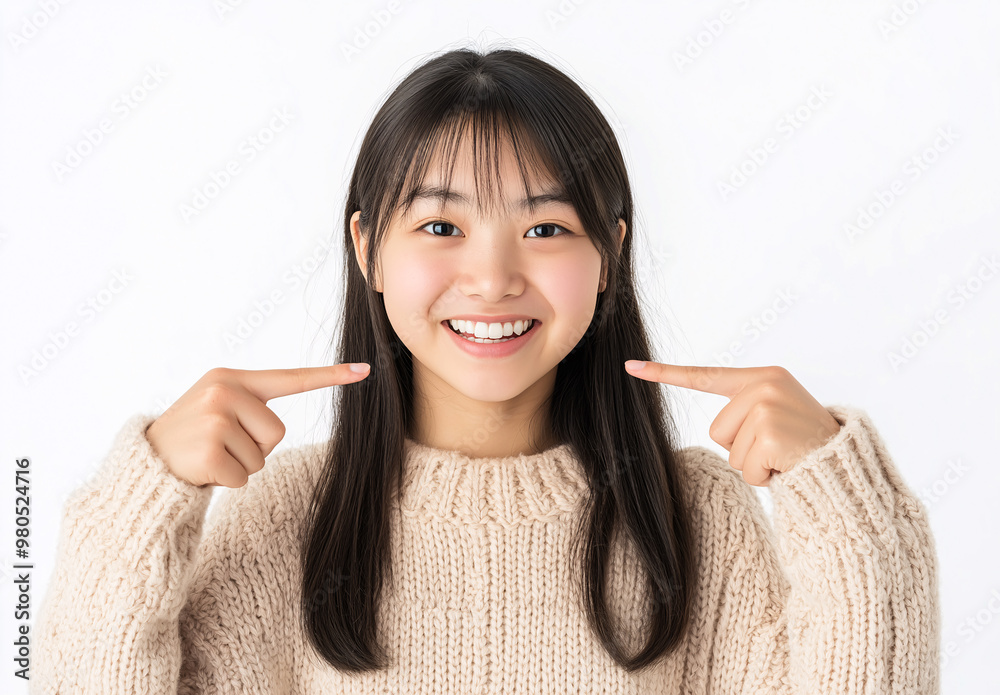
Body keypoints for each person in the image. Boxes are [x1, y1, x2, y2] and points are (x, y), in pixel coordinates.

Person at [31, 45, 940, 693]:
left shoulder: (695, 518)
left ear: (610, 255)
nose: (494, 276)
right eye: (441, 225)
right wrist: (145, 494)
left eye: (546, 227)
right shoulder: (290, 519)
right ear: (368, 249)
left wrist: (842, 498)